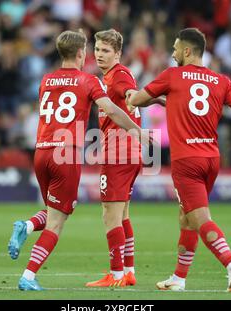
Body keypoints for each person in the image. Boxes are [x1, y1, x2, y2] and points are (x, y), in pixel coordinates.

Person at [127, 28, 231, 292]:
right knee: (186, 217)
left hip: (186, 162)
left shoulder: (172, 75)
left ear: (187, 51)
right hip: (211, 160)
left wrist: (138, 97)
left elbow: (135, 99)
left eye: (176, 48)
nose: (172, 52)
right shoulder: (221, 80)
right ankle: (179, 279)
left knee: (200, 219)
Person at [7, 30, 147, 291]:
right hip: (66, 153)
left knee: (54, 211)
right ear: (82, 54)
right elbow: (114, 109)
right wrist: (138, 130)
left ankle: (26, 225)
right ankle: (28, 275)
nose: (97, 55)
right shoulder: (89, 81)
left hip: (41, 151)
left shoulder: (45, 80)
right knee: (57, 221)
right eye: (95, 50)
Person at [84, 29, 141, 288]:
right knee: (123, 214)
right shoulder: (109, 76)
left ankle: (115, 274)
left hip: (119, 152)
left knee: (110, 215)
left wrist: (133, 99)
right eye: (97, 49)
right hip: (128, 152)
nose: (99, 54)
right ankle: (128, 271)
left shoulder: (118, 76)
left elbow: (129, 93)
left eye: (106, 50)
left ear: (117, 53)